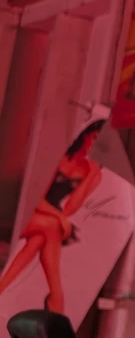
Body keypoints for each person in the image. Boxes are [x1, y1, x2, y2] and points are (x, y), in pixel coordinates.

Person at [0, 120, 105, 314]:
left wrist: (91, 174)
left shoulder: (94, 173)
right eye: (95, 138)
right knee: (51, 227)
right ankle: (57, 296)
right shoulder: (60, 157)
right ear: (86, 135)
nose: (95, 145)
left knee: (39, 240)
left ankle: (2, 286)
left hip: (45, 221)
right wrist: (59, 217)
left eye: (101, 144)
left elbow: (70, 208)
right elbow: (36, 198)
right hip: (24, 208)